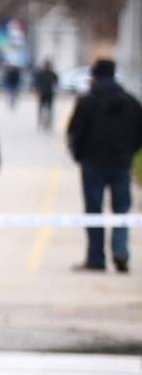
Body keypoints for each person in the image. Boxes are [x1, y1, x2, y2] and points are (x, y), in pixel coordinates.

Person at [65, 58, 142, 273]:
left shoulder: (87, 101)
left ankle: (96, 257)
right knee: (121, 209)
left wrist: (79, 155)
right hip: (121, 163)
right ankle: (120, 250)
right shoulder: (130, 102)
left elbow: (74, 132)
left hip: (93, 165)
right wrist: (128, 153)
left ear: (95, 76)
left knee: (94, 212)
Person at [34, 60, 59, 133]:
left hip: (49, 93)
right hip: (44, 93)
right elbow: (37, 82)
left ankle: (48, 122)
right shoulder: (42, 73)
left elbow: (56, 81)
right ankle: (40, 121)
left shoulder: (51, 73)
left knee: (49, 109)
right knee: (41, 108)